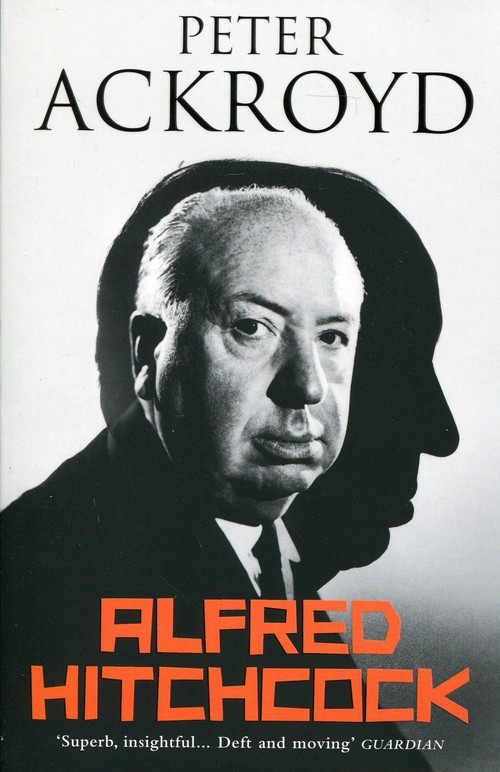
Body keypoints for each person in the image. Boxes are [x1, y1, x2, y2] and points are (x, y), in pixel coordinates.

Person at [2, 160, 457, 770]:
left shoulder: (261, 562)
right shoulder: (46, 591)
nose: (308, 387)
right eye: (252, 327)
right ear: (148, 355)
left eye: (334, 337)